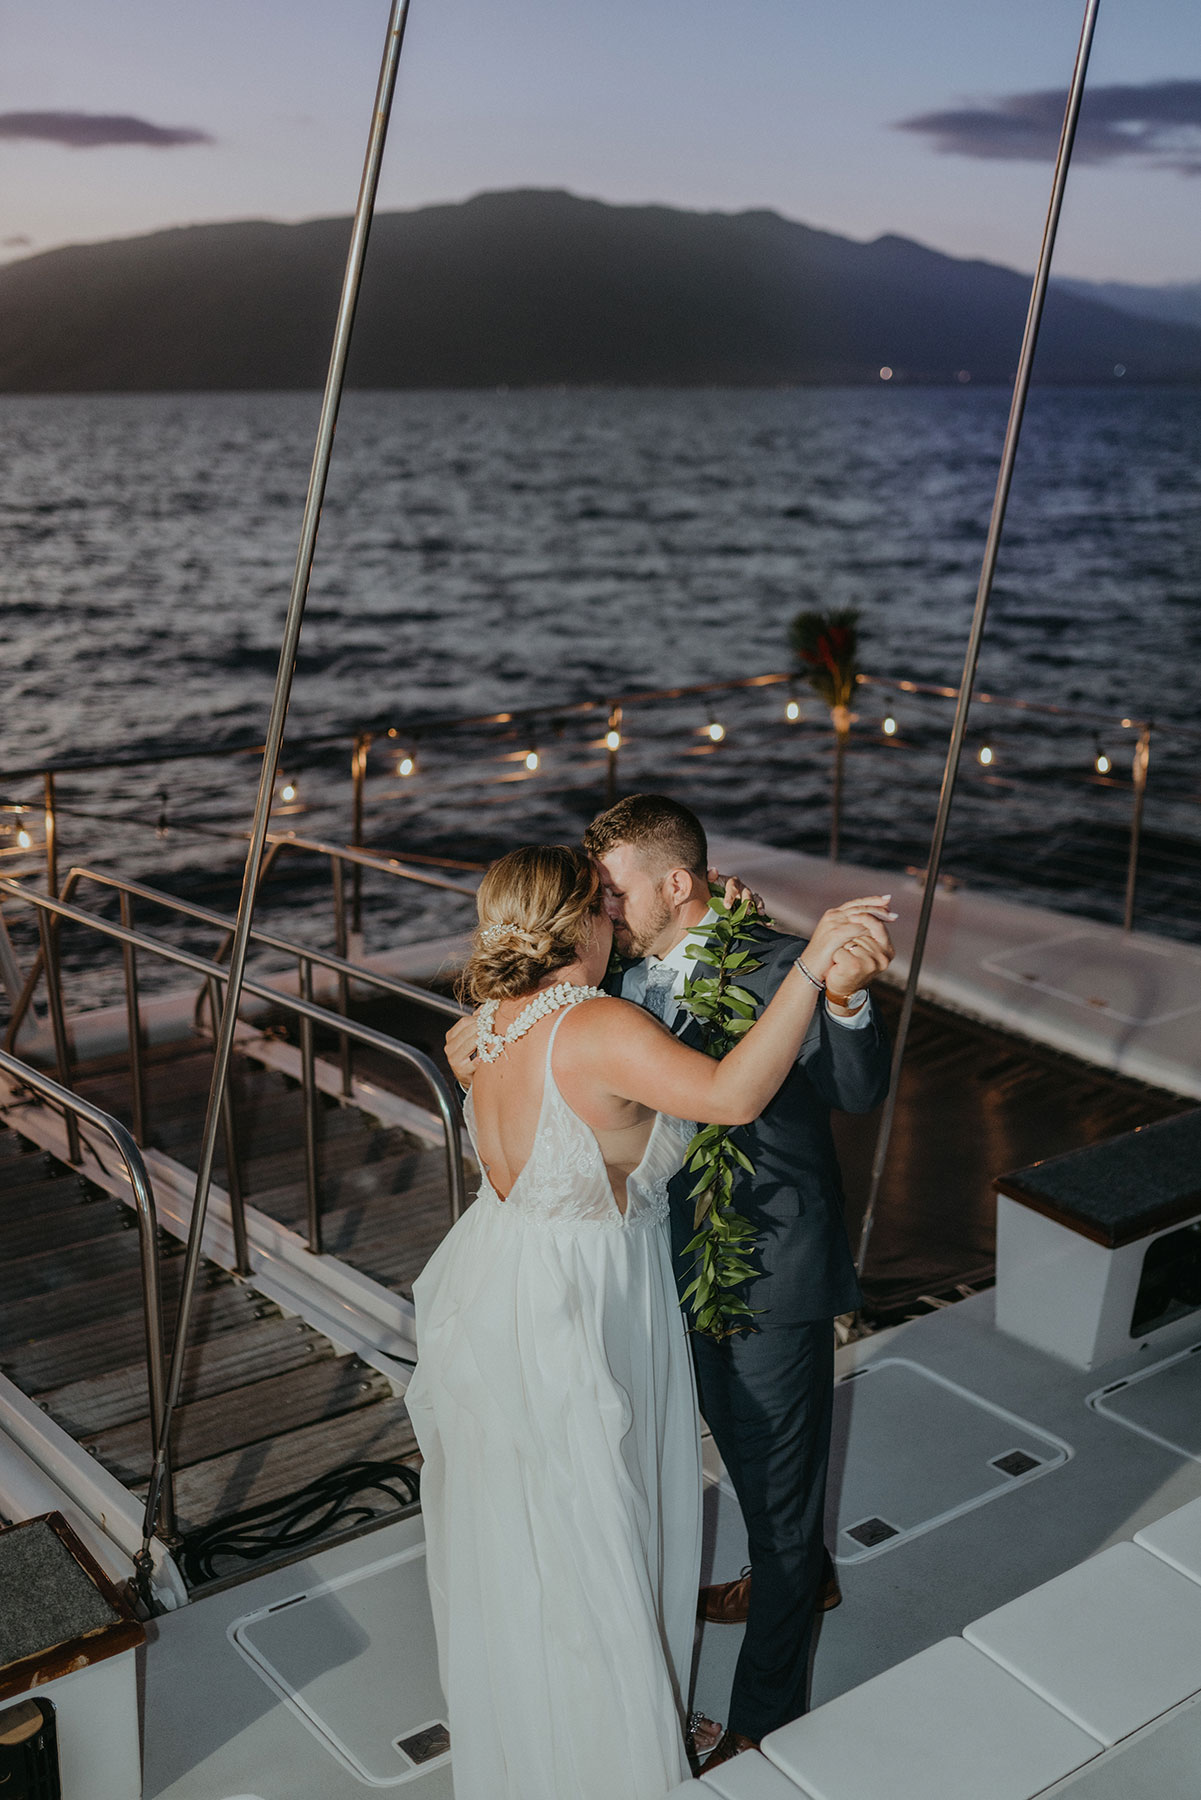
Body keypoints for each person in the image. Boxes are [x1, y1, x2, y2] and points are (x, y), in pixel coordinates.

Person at [411, 842, 894, 1800]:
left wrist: (805, 970)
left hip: (512, 1290)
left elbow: (840, 1086)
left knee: (548, 1531)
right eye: (602, 903)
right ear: (576, 922)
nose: (616, 919)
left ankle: (579, 1719)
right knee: (601, 1528)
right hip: (591, 1300)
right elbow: (727, 1094)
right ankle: (615, 1744)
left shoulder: (490, 1027)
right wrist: (807, 965)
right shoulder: (591, 1017)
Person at [581, 795, 894, 1771]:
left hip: (772, 1269)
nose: (602, 906)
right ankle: (792, 1573)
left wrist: (843, 997)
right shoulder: (618, 978)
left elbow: (853, 1090)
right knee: (748, 1456)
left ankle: (765, 1721)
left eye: (612, 888)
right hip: (668, 1265)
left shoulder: (778, 962)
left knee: (777, 1472)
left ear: (678, 884)